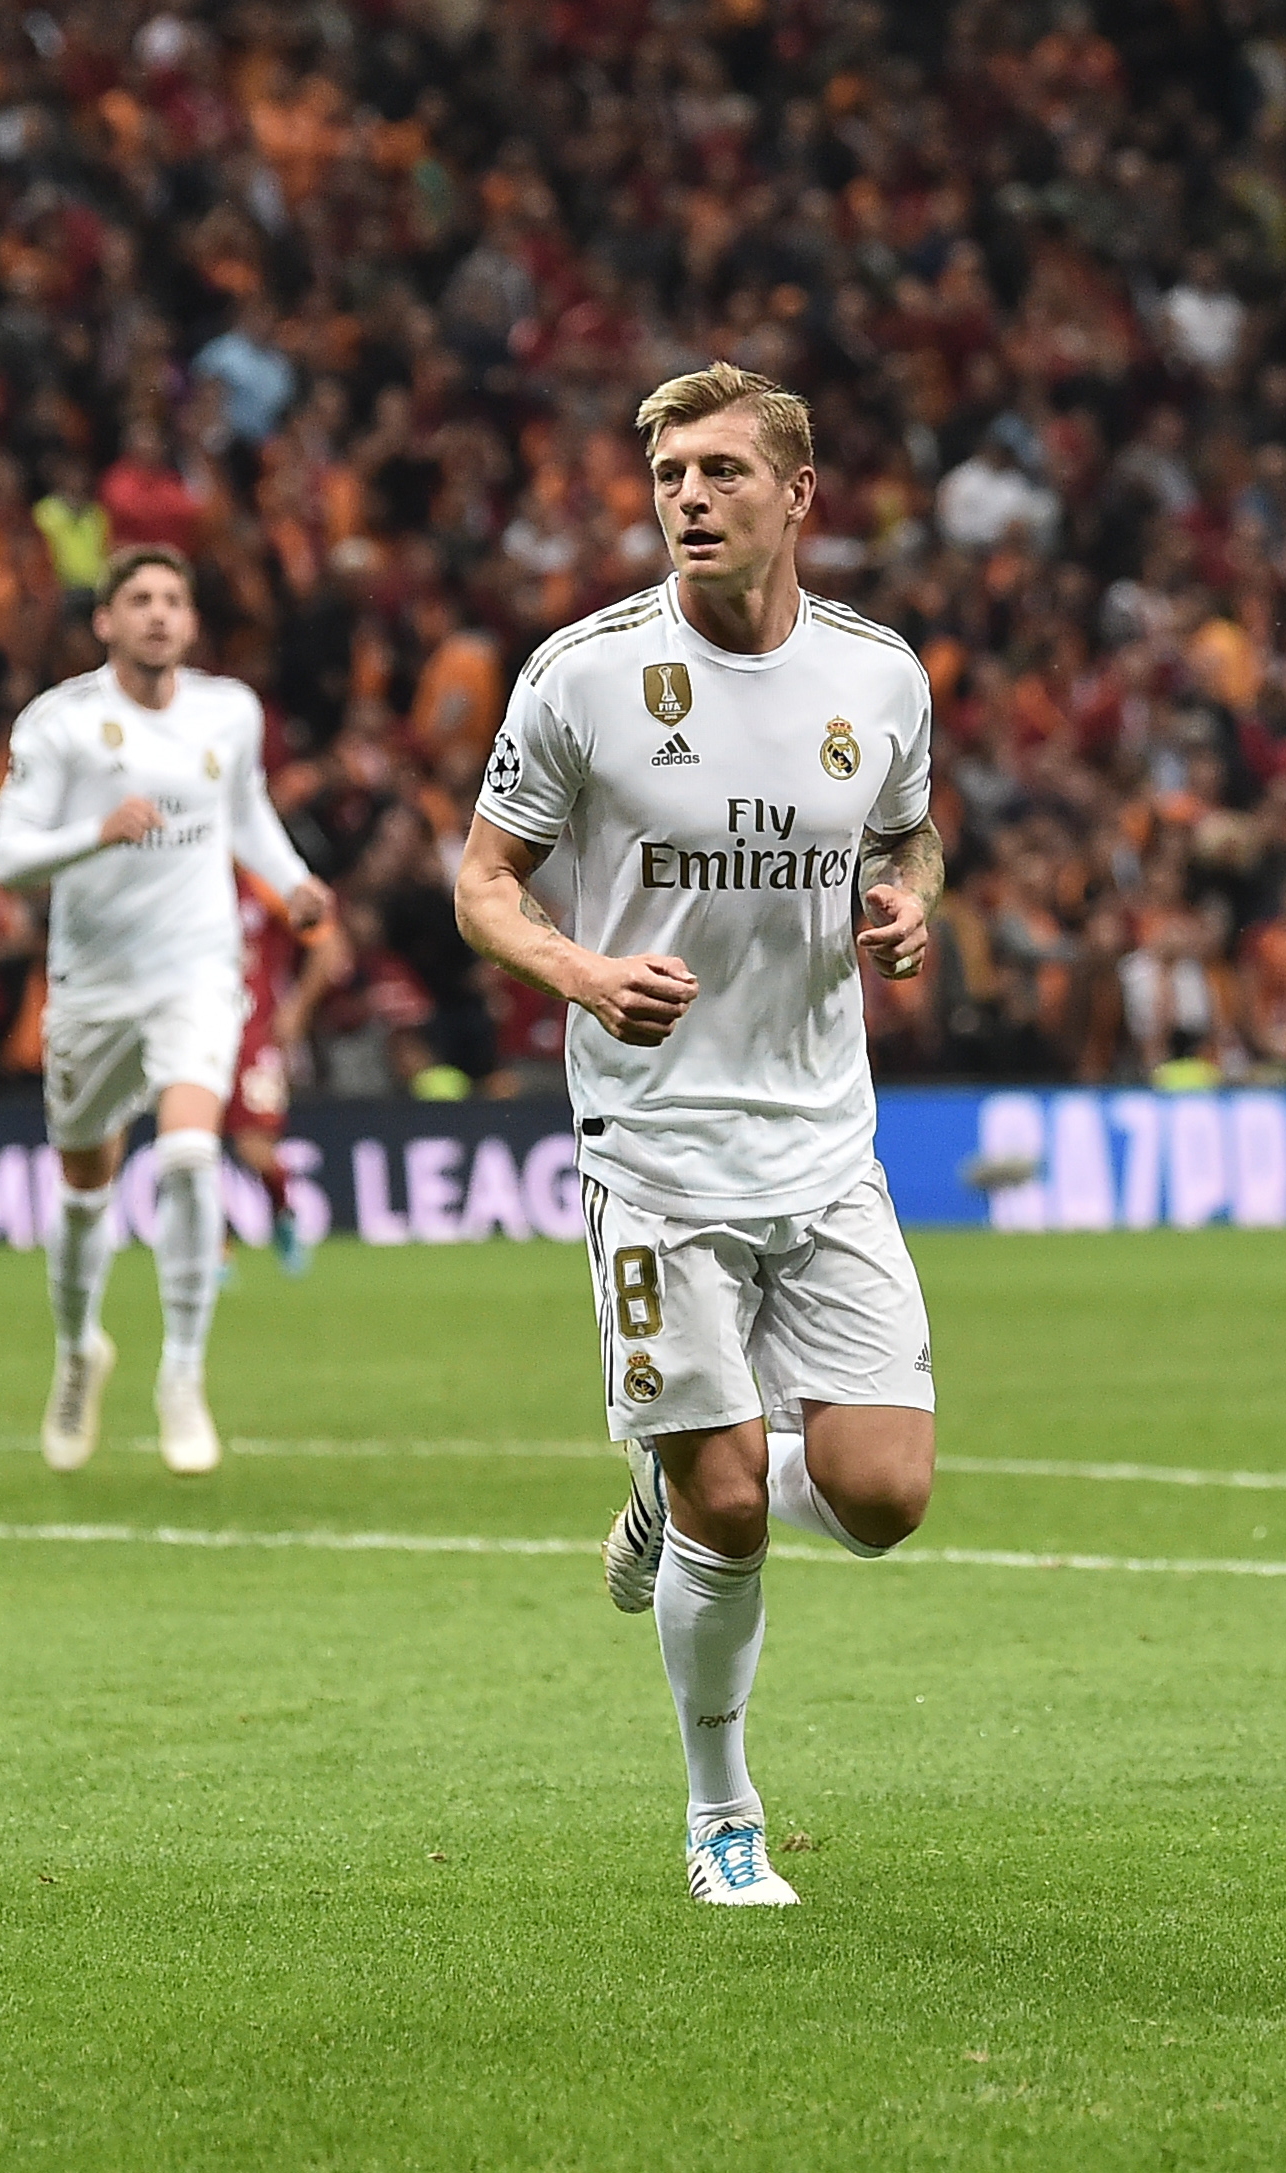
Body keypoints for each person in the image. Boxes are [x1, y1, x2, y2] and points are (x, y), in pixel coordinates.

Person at [451, 363, 944, 1907]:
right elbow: (481, 882)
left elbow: (913, 823)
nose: (689, 500)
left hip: (824, 1140)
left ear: (799, 494)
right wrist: (584, 972)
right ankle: (721, 1810)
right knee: (737, 1503)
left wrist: (915, 894)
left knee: (882, 1495)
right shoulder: (585, 675)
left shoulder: (879, 674)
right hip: (656, 1151)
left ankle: (674, 1479)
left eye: (725, 472)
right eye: (670, 476)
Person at [0, 546, 330, 1474]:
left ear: (190, 618)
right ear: (105, 621)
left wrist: (292, 881)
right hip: (93, 986)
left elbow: (246, 811)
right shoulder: (60, 725)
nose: (157, 614)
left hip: (197, 970)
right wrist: (92, 832)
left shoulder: (230, 710)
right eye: (137, 600)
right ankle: (78, 1349)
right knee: (85, 1188)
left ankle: (182, 1372)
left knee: (186, 1151)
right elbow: (5, 858)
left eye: (173, 599)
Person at [227, 867, 349, 1277]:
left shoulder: (265, 882)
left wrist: (297, 1007)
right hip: (195, 1034)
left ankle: (283, 1216)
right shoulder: (183, 881)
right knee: (194, 1144)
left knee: (253, 1147)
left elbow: (329, 945)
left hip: (253, 1036)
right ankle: (213, 1251)